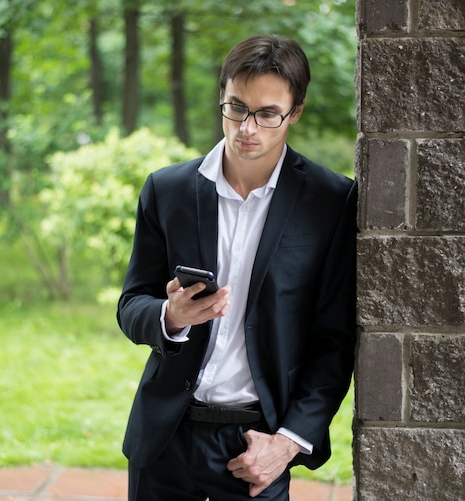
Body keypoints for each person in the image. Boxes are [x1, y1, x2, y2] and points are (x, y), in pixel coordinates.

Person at [117, 34, 357, 500]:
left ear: (296, 112)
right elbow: (131, 304)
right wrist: (170, 318)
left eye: (268, 114)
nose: (247, 127)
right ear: (221, 97)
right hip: (165, 438)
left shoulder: (331, 201)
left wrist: (287, 444)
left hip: (257, 447)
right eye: (235, 107)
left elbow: (335, 341)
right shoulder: (167, 191)